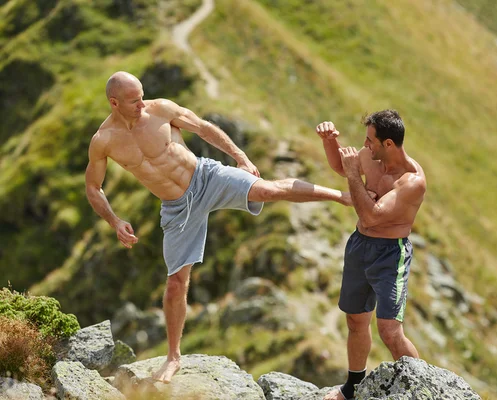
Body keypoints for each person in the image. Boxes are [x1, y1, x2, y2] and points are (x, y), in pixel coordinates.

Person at [85, 71, 352, 383]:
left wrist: (240, 156)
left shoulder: (161, 110)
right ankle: (173, 357)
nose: (142, 104)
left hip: (205, 177)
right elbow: (93, 187)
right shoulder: (104, 141)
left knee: (266, 189)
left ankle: (340, 196)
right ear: (114, 103)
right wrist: (114, 221)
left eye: (143, 95)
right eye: (134, 101)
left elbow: (204, 129)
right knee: (175, 284)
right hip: (177, 208)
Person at [316, 110, 426, 400]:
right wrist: (330, 141)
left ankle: (423, 389)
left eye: (370, 141)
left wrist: (354, 176)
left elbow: (372, 215)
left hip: (391, 255)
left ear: (388, 144)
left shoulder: (412, 181)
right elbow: (342, 167)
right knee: (355, 320)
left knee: (390, 331)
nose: (365, 146)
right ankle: (352, 387)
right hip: (360, 246)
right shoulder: (373, 156)